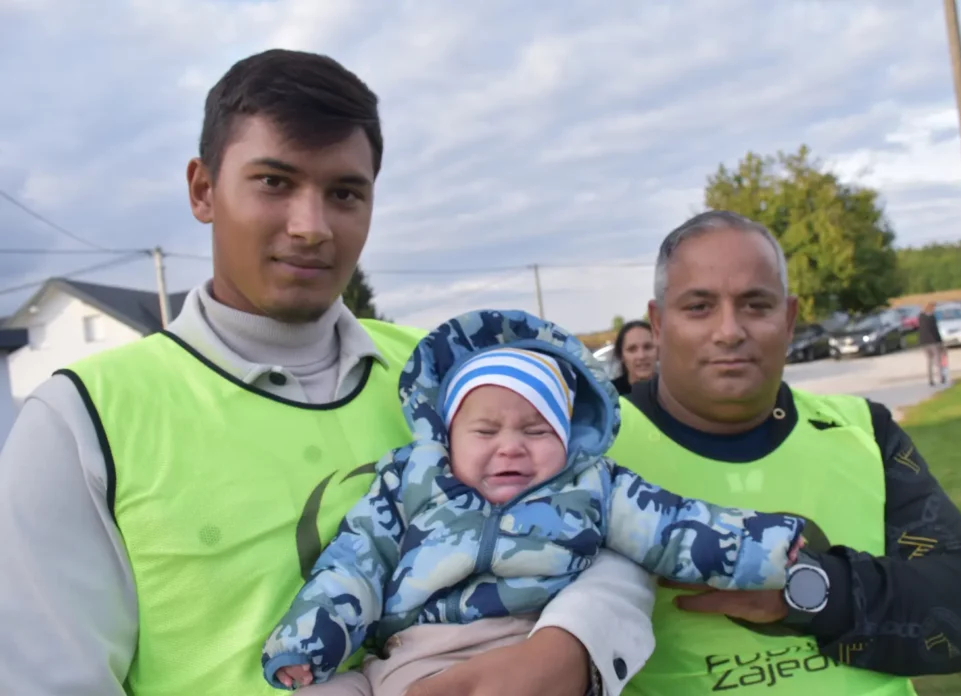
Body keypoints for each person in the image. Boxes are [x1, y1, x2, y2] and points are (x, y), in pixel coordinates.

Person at [0, 49, 658, 696]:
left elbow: (611, 521)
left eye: (344, 192)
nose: (311, 226)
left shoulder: (449, 375)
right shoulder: (80, 423)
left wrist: (573, 646)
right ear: (203, 189)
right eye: (274, 182)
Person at [262, 309, 805, 694]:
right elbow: (358, 558)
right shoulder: (411, 478)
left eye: (536, 430)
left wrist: (767, 548)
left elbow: (673, 526)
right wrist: (311, 637)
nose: (511, 448)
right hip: (411, 653)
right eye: (486, 430)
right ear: (449, 434)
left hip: (531, 644)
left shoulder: (591, 485)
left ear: (568, 438)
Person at [608, 211, 961, 694]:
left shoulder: (863, 430)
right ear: (658, 323)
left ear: (790, 318)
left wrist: (808, 590)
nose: (729, 330)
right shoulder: (592, 450)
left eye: (756, 305)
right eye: (699, 306)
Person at [610, 320, 657, 395]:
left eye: (647, 347)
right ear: (621, 355)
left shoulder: (673, 390)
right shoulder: (609, 395)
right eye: (632, 349)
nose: (641, 356)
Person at [916, 302, 946, 386]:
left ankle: (930, 379)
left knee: (929, 361)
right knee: (937, 360)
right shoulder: (931, 317)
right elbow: (935, 331)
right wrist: (940, 342)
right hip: (933, 342)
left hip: (924, 342)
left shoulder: (921, 317)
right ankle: (940, 377)